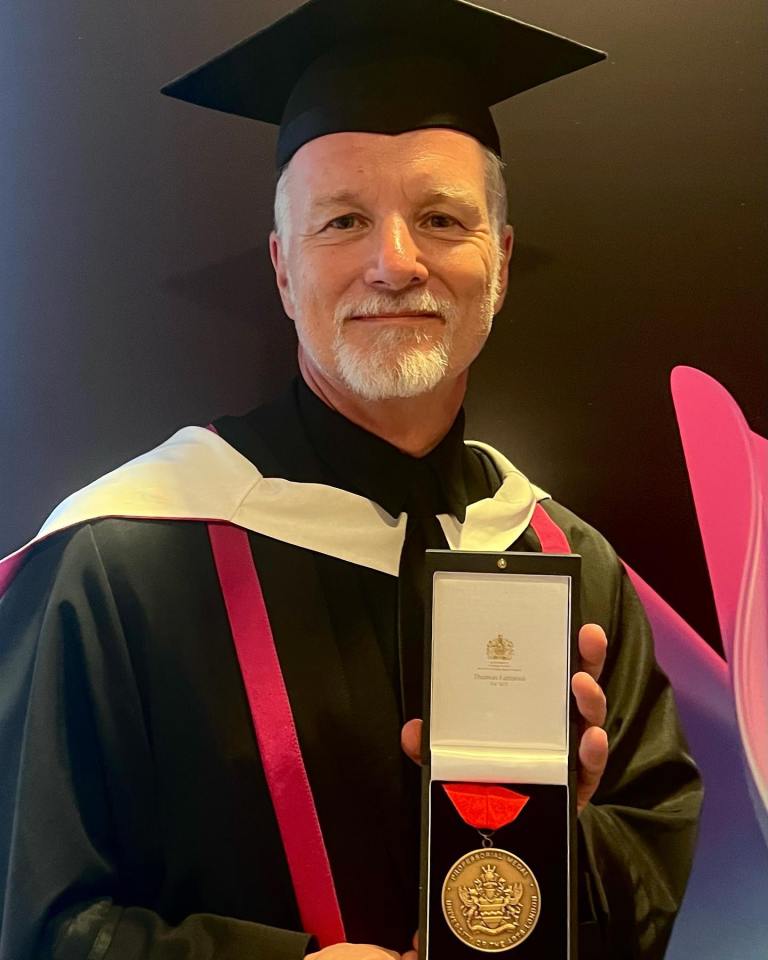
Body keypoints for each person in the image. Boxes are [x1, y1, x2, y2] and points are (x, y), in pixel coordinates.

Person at [0, 1, 702, 958]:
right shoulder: (115, 564)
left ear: (497, 263)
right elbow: (36, 922)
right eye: (343, 221)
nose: (396, 262)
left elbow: (650, 858)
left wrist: (551, 849)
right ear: (286, 272)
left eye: (442, 218)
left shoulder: (567, 564)